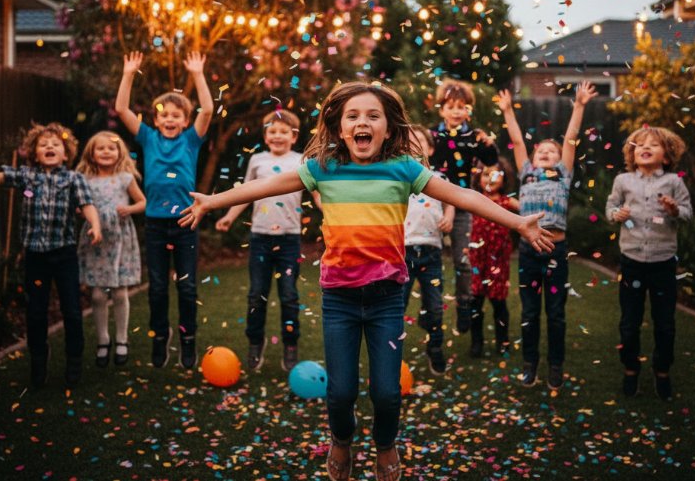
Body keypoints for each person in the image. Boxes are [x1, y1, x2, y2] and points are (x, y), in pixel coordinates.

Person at [177, 81, 554, 481]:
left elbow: (463, 196)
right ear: (340, 128)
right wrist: (213, 200)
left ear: (388, 129)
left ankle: (385, 445)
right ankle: (341, 441)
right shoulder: (323, 168)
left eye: (373, 116)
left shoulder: (405, 169)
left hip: (387, 298)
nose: (363, 122)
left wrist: (517, 221)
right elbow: (265, 186)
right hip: (339, 298)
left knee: (388, 393)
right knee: (340, 393)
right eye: (353, 116)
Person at [0, 123, 102, 389]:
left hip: (64, 256)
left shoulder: (74, 179)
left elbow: (87, 205)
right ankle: (39, 362)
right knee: (36, 314)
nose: (49, 147)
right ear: (34, 154)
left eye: (55, 144)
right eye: (43, 144)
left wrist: (94, 225)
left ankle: (74, 360)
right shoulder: (27, 176)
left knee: (72, 311)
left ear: (66, 154)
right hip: (35, 258)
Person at [114, 50, 213, 369]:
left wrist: (198, 73)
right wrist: (128, 73)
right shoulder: (148, 138)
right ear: (155, 120)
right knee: (157, 287)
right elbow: (121, 109)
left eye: (176, 115)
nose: (170, 119)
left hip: (185, 222)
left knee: (186, 286)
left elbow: (208, 109)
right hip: (156, 225)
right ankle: (160, 337)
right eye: (164, 115)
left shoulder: (190, 141)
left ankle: (187, 339)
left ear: (184, 121)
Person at [498, 81, 597, 389]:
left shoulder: (563, 175)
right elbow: (515, 139)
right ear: (534, 156)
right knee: (529, 312)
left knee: (555, 314)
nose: (546, 152)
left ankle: (555, 365)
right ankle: (530, 364)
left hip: (555, 251)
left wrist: (579, 106)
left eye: (551, 151)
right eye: (542, 149)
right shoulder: (526, 171)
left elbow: (570, 139)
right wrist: (506, 112)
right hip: (529, 253)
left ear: (558, 159)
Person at [215, 109, 307, 372]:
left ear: (293, 136)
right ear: (266, 136)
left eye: (283, 131)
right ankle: (255, 343)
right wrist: (230, 217)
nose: (277, 136)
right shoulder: (257, 160)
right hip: (260, 239)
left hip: (290, 239)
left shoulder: (301, 161)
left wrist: (330, 212)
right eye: (272, 131)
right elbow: (245, 193)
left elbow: (317, 193)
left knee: (289, 295)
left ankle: (291, 344)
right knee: (257, 295)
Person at [605, 126, 692, 400]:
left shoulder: (674, 183)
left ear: (666, 156)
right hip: (631, 262)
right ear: (633, 152)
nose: (646, 148)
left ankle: (662, 372)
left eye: (654, 145)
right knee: (629, 323)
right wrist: (617, 214)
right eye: (640, 144)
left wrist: (674, 209)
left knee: (664, 323)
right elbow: (610, 209)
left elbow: (688, 214)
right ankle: (631, 369)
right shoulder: (623, 181)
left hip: (663, 263)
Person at [429, 80, 500, 335]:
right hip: (433, 205)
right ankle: (430, 307)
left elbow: (492, 161)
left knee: (462, 261)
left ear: (468, 110)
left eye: (462, 107)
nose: (457, 111)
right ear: (442, 110)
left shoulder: (474, 137)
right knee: (429, 259)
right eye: (451, 106)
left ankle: (464, 305)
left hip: (462, 204)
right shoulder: (433, 136)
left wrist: (490, 144)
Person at [76, 131, 146, 368]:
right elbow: (79, 204)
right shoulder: (84, 179)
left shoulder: (125, 178)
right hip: (96, 241)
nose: (106, 152)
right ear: (91, 153)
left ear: (120, 153)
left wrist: (130, 210)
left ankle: (122, 339)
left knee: (119, 292)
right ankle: (103, 339)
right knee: (97, 294)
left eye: (111, 148)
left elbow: (143, 202)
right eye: (101, 148)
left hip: (120, 240)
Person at [402, 124, 454, 376]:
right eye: (407, 142)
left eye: (419, 141)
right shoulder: (398, 178)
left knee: (434, 305)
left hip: (432, 251)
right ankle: (391, 353)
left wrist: (450, 216)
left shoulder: (440, 179)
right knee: (397, 306)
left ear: (430, 149)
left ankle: (435, 348)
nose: (413, 145)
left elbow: (452, 200)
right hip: (402, 253)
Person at [468, 158, 519, 360]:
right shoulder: (474, 199)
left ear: (504, 178)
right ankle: (476, 343)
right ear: (478, 178)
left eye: (496, 173)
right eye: (486, 173)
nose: (491, 177)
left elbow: (526, 210)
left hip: (499, 260)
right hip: (477, 260)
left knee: (499, 303)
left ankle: (503, 342)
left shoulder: (506, 201)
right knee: (476, 303)